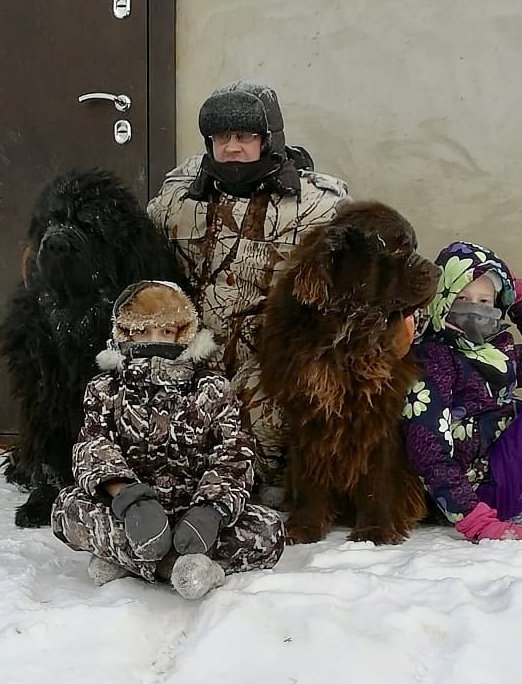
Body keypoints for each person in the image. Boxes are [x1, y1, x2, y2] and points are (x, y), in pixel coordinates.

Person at [147, 80, 350, 494]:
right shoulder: (177, 201)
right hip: (192, 355)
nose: (232, 148)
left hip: (270, 364)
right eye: (221, 137)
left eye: (245, 137)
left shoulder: (319, 206)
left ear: (269, 139)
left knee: (257, 443)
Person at [51, 280, 285, 597]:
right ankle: (180, 568)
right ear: (125, 333)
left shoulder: (212, 388)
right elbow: (93, 446)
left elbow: (235, 451)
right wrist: (129, 499)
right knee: (67, 508)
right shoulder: (105, 389)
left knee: (269, 530)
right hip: (133, 515)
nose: (155, 341)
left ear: (182, 334)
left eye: (165, 332)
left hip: (194, 514)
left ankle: (129, 560)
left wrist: (212, 511)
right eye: (143, 331)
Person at [402, 240, 522, 541]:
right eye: (461, 298)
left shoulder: (495, 353)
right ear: (441, 300)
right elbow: (428, 450)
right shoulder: (433, 358)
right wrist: (475, 519)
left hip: (516, 479)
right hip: (481, 493)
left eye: (485, 301)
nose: (474, 310)